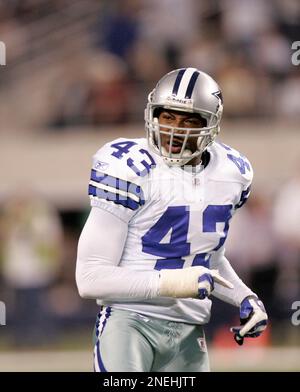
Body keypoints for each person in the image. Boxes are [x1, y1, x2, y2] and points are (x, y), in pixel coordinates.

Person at [76, 67, 268, 372]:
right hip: (130, 321)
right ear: (153, 114)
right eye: (168, 117)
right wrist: (174, 282)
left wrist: (245, 297)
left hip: (189, 329)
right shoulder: (128, 166)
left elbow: (206, 261)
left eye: (189, 120)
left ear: (211, 124)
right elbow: (89, 278)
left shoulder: (232, 172)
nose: (175, 129)